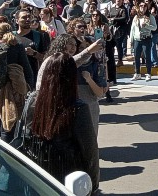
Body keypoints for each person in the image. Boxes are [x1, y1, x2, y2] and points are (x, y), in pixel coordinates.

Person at [23, 53, 100, 192]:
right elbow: (89, 150)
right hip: (67, 172)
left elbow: (25, 135)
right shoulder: (77, 107)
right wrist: (93, 184)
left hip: (37, 171)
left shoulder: (33, 101)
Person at [0, 23, 34, 144]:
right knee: (8, 127)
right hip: (10, 94)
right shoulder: (16, 47)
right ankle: (7, 158)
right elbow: (27, 70)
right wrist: (28, 90)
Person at [68, 18, 108, 136]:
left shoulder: (96, 64)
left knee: (89, 138)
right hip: (71, 106)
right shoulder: (68, 63)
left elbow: (100, 92)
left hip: (90, 107)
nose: (82, 29)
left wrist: (89, 80)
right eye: (81, 49)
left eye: (84, 27)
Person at [14, 10, 47, 86]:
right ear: (17, 21)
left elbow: (45, 58)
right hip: (15, 78)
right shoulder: (11, 36)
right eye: (24, 17)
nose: (28, 19)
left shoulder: (39, 36)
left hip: (32, 78)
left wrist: (34, 53)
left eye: (29, 17)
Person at [129, 1, 157, 81]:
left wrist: (147, 26)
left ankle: (148, 73)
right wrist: (131, 39)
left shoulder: (150, 16)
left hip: (146, 38)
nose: (143, 7)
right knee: (136, 57)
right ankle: (137, 73)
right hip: (137, 39)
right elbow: (132, 29)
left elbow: (154, 28)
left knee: (147, 56)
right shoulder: (136, 17)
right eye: (141, 6)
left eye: (144, 6)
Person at [106, 0, 128, 70]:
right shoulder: (112, 8)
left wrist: (114, 19)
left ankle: (120, 60)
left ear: (122, 0)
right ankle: (111, 58)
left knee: (118, 44)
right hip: (112, 28)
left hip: (120, 29)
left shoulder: (123, 9)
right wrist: (108, 19)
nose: (118, 0)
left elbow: (125, 18)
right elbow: (108, 16)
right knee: (111, 44)